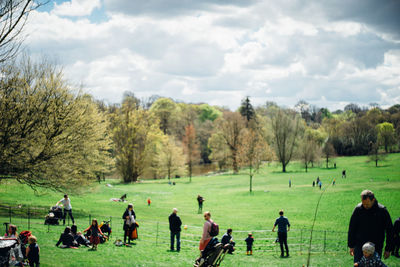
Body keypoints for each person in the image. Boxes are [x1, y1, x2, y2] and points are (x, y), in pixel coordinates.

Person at [348, 190, 394, 263]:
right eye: (363, 204)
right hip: (360, 247)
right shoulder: (358, 209)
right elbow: (352, 228)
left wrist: (388, 249)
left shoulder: (382, 211)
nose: (365, 206)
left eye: (367, 204)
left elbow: (390, 230)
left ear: (373, 200)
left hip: (376, 247)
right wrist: (351, 246)